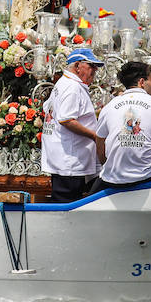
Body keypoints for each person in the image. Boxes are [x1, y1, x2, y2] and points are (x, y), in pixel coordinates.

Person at [92, 61, 151, 192]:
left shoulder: (109, 106)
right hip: (149, 176)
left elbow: (99, 144)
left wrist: (108, 164)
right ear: (142, 82)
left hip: (113, 177)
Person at [41, 48, 103, 202]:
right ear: (77, 66)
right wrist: (94, 136)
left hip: (65, 157)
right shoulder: (72, 87)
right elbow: (66, 119)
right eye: (91, 66)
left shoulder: (64, 83)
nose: (94, 71)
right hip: (70, 160)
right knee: (67, 204)